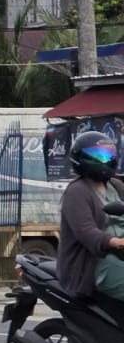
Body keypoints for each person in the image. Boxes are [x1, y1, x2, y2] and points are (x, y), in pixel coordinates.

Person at [57, 130, 124, 307]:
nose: (105, 160)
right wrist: (115, 241)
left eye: (108, 155)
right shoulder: (77, 191)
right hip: (95, 263)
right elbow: (85, 231)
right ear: (81, 159)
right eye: (98, 156)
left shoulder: (115, 185)